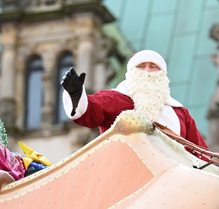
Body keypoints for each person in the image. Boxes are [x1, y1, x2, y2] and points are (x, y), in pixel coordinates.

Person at [60, 50, 208, 148]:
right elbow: (89, 112)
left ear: (163, 74)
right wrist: (76, 94)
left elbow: (201, 153)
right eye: (141, 66)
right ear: (131, 73)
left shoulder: (180, 113)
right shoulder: (115, 99)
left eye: (153, 66)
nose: (147, 71)